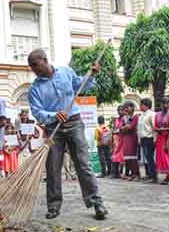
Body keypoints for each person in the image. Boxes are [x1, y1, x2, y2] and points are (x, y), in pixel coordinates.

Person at [26, 48, 108, 221]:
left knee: (83, 164)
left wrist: (91, 75)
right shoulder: (34, 89)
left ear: (45, 60)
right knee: (53, 168)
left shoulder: (66, 72)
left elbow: (80, 85)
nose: (33, 69)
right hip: (53, 128)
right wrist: (53, 115)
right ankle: (53, 206)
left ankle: (96, 202)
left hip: (74, 122)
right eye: (31, 67)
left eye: (35, 65)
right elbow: (37, 112)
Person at [119, 101, 139, 180]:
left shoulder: (135, 116)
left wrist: (126, 127)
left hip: (133, 138)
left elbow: (132, 127)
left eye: (128, 107)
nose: (126, 109)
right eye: (125, 108)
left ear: (132, 107)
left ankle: (136, 173)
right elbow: (121, 128)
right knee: (128, 158)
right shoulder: (124, 117)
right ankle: (132, 173)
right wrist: (125, 127)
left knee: (133, 157)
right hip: (126, 138)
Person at [137, 100, 156, 181]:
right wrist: (139, 139)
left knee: (150, 157)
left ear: (147, 106)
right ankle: (148, 174)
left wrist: (155, 139)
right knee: (145, 157)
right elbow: (139, 129)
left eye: (141, 105)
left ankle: (153, 175)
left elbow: (154, 127)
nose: (140, 107)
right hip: (143, 139)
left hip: (150, 138)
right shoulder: (141, 116)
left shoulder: (151, 114)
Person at [111, 104, 125, 179]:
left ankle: (120, 172)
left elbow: (124, 129)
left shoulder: (125, 119)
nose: (120, 112)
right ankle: (115, 172)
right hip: (116, 139)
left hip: (122, 139)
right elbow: (114, 129)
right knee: (115, 156)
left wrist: (118, 131)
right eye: (118, 110)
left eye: (121, 110)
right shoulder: (116, 119)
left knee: (121, 157)